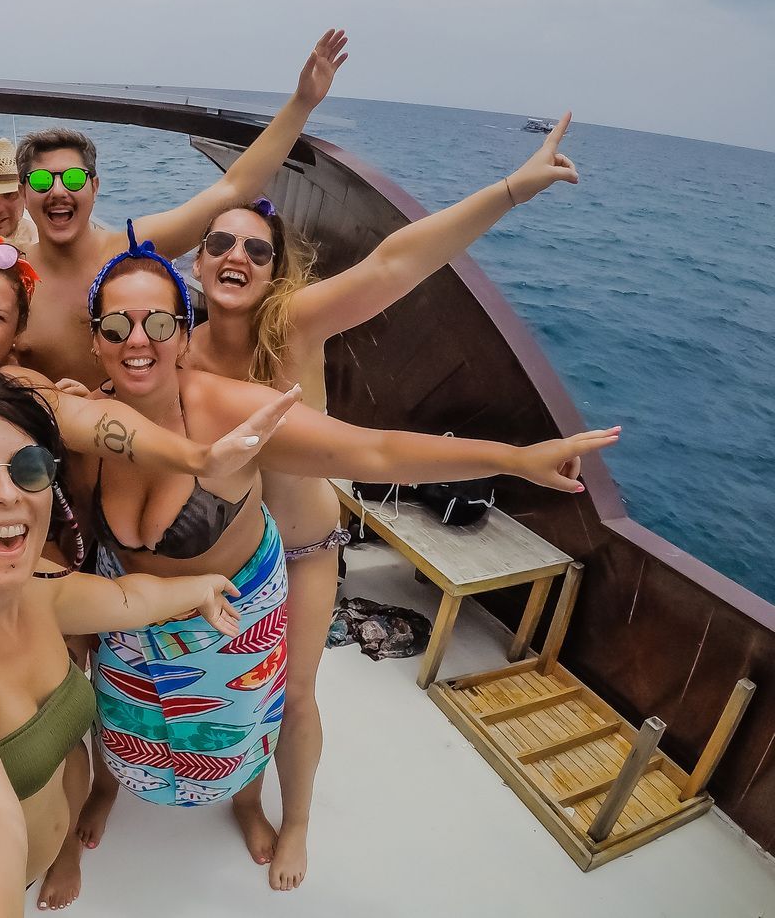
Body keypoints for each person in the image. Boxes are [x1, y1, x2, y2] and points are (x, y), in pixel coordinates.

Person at [71, 229, 616, 859]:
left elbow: (374, 450)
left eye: (160, 323)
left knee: (248, 721)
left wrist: (514, 459)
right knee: (120, 710)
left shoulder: (232, 412)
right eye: (117, 326)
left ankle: (250, 804)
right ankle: (105, 787)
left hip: (232, 615)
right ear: (96, 341)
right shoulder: (86, 421)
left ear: (184, 337)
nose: (138, 341)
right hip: (132, 612)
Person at [179, 113, 581, 891]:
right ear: (196, 261)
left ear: (275, 273)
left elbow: (397, 262)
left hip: (303, 551)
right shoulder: (179, 355)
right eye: (220, 243)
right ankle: (245, 798)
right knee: (236, 692)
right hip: (230, 559)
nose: (236, 256)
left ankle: (295, 819)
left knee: (295, 693)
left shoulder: (293, 327)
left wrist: (510, 190)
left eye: (257, 250)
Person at [0, 376, 267, 917]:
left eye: (29, 468)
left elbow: (124, 599)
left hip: (44, 850)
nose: (8, 494)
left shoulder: (31, 586)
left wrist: (196, 588)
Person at [12, 30, 348, 388]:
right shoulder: (12, 275)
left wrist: (302, 103)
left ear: (94, 187)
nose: (59, 191)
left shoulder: (129, 250)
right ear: (22, 193)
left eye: (74, 179)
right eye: (42, 181)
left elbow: (233, 188)